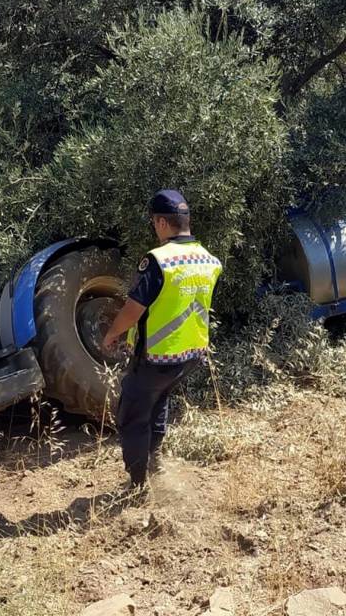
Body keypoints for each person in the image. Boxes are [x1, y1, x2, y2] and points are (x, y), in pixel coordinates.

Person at [101, 189, 222, 492]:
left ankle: (138, 482)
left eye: (155, 223)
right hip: (191, 354)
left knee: (133, 415)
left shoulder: (158, 261)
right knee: (160, 402)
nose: (155, 230)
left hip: (157, 355)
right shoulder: (208, 259)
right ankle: (154, 462)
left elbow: (134, 308)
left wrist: (113, 333)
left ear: (162, 223)